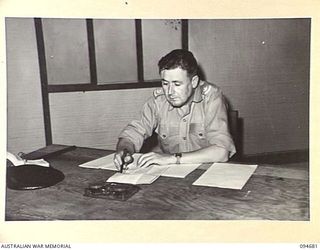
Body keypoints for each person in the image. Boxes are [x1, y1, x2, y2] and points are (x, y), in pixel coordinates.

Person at [114, 49, 236, 170]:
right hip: (171, 172)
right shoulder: (158, 101)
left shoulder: (211, 98)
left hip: (207, 171)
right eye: (165, 83)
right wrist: (124, 150)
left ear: (194, 82)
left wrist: (172, 158)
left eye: (177, 84)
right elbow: (132, 133)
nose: (170, 92)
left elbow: (222, 152)